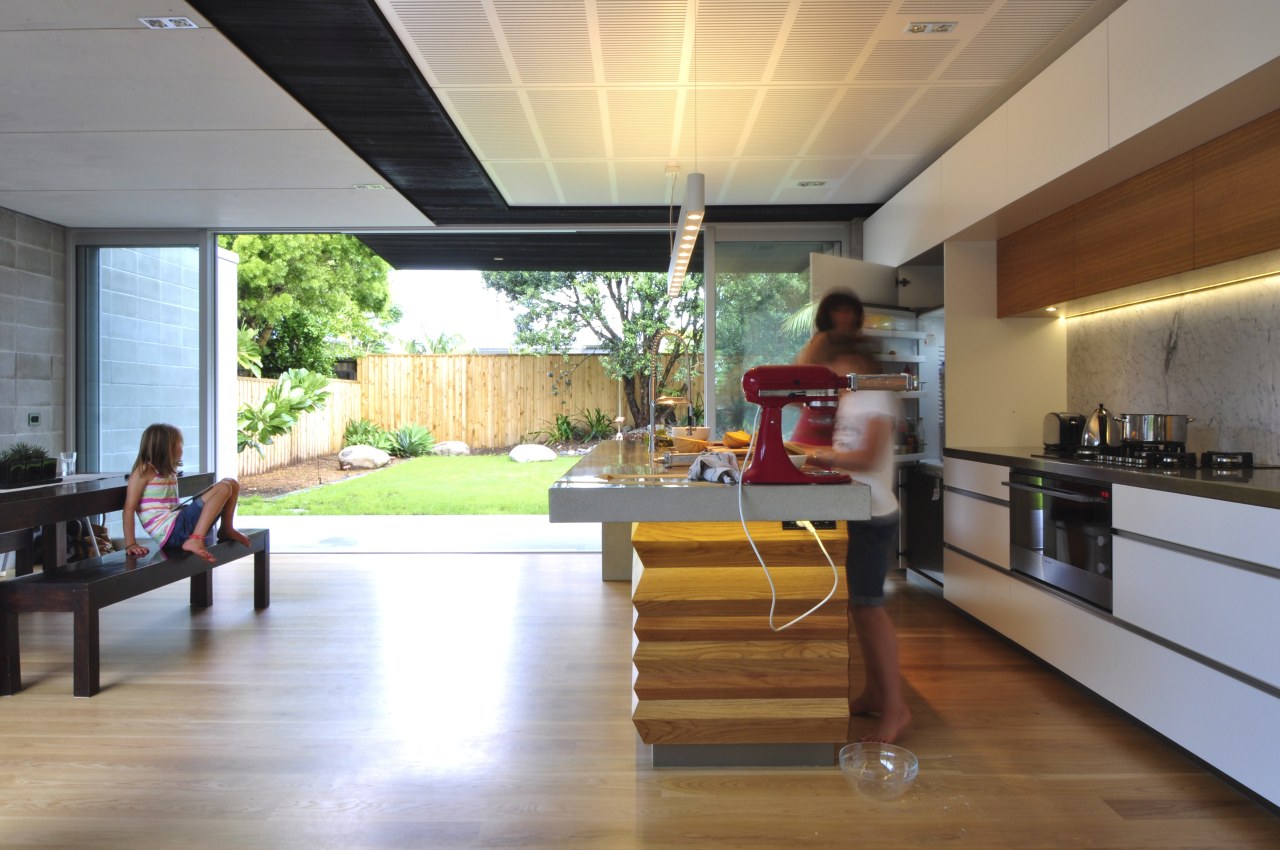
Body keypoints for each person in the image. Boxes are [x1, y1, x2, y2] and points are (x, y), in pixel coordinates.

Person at [803, 330, 911, 744]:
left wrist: (817, 456)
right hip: (857, 509)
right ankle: (874, 693)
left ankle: (897, 710)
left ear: (855, 362)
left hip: (874, 512)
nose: (831, 374)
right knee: (860, 608)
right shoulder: (852, 396)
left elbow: (866, 456)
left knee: (869, 609)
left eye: (834, 366)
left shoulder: (875, 395)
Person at [122, 423, 250, 564]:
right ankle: (196, 539)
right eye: (180, 444)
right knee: (224, 488)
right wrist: (131, 544)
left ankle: (226, 528)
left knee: (231, 483)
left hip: (179, 524)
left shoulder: (168, 470)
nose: (182, 448)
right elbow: (128, 509)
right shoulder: (143, 471)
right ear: (168, 447)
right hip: (172, 532)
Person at [791, 288, 872, 448]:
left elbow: (870, 389)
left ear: (857, 315)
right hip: (818, 427)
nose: (842, 315)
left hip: (850, 427)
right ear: (827, 314)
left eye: (847, 311)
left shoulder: (862, 347)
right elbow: (799, 384)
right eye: (837, 310)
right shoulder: (821, 343)